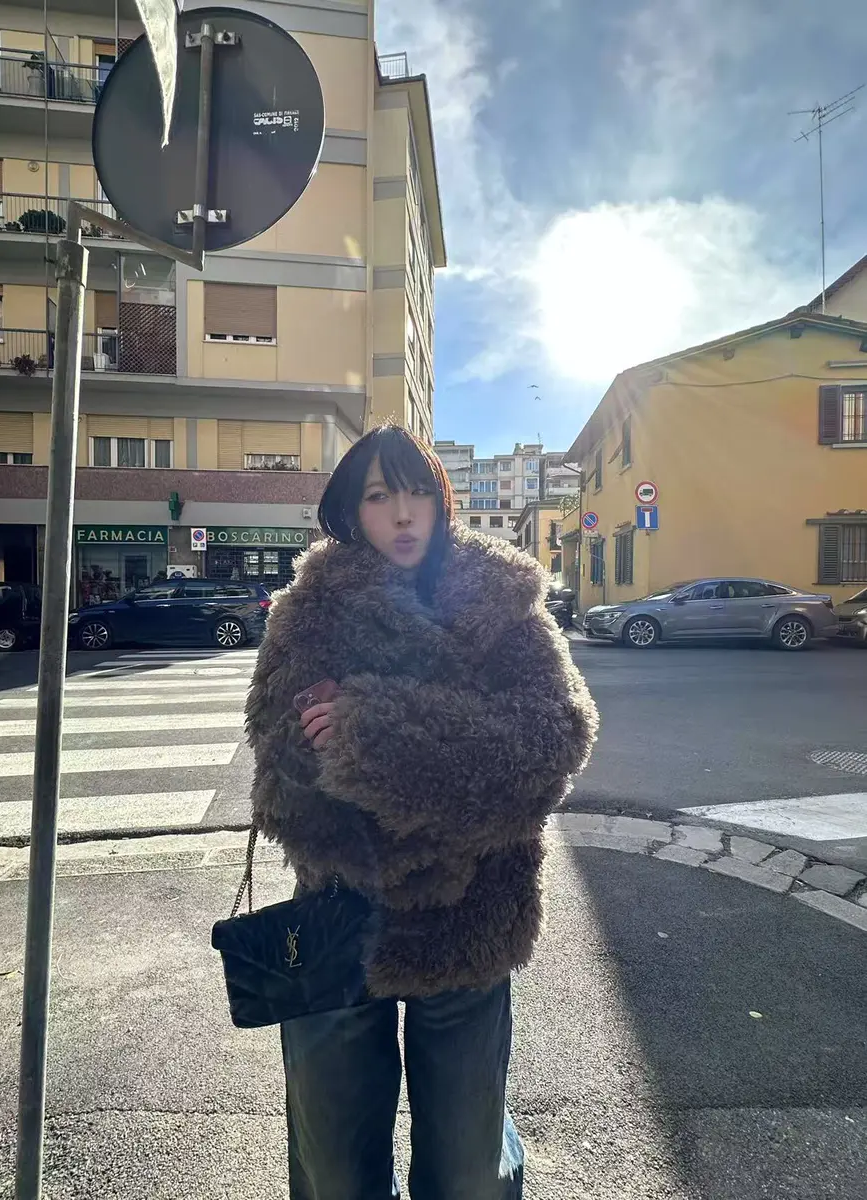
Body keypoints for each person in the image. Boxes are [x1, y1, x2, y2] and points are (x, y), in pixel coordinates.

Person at [246, 424, 599, 1200]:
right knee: (336, 1173)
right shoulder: (308, 613)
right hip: (343, 916)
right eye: (379, 496)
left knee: (468, 1172)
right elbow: (279, 781)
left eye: (416, 494)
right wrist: (439, 797)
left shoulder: (502, 600)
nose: (402, 515)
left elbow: (554, 739)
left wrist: (370, 732)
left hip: (473, 914)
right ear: (351, 510)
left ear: (442, 502)